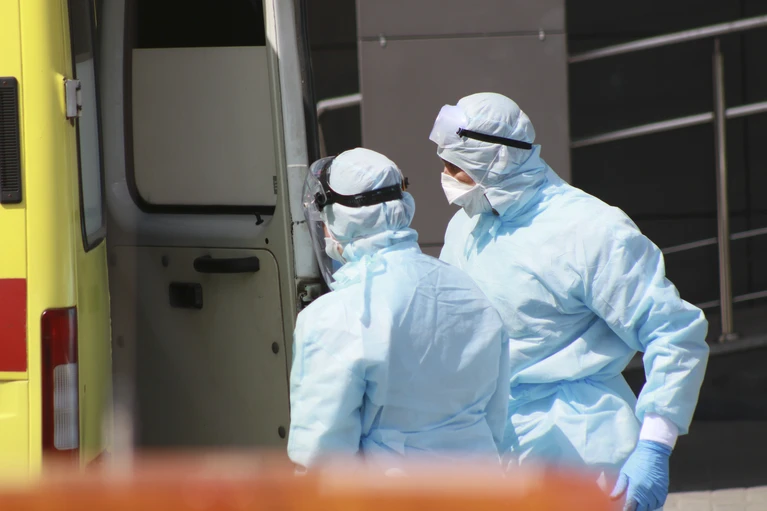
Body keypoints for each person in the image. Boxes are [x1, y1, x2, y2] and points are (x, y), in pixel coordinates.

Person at [429, 93, 709, 511]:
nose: (446, 177)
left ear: (496, 161)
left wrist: (655, 445)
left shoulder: (590, 230)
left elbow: (673, 332)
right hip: (493, 453)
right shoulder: (465, 228)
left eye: (456, 167)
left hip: (583, 456)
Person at [287, 147, 509, 471]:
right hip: (482, 487)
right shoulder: (468, 291)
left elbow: (321, 457)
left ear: (340, 218)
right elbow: (496, 416)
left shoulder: (338, 315)